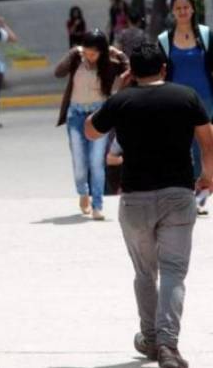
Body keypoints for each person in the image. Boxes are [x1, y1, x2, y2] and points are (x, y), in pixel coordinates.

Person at [85, 42, 213, 368]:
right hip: (178, 195)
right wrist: (208, 173)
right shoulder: (185, 96)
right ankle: (168, 345)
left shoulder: (121, 101)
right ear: (164, 69)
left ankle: (151, 338)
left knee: (145, 272)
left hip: (135, 200)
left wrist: (119, 89)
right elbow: (206, 136)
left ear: (133, 72)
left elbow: (90, 130)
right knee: (173, 272)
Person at [54, 29, 130, 220]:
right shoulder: (76, 61)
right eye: (86, 52)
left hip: (99, 116)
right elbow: (58, 72)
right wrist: (73, 52)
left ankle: (98, 205)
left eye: (94, 53)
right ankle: (83, 192)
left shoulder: (109, 65)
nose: (89, 57)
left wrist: (118, 54)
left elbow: (130, 69)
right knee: (80, 163)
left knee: (97, 162)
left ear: (102, 52)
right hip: (76, 115)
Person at [158, 0, 213, 214]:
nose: (182, 11)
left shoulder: (206, 34)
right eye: (178, 8)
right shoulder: (164, 39)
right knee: (182, 147)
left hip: (205, 100)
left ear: (192, 9)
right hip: (176, 101)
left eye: (186, 7)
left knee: (205, 147)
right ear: (173, 11)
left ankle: (201, 193)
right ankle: (186, 192)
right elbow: (160, 72)